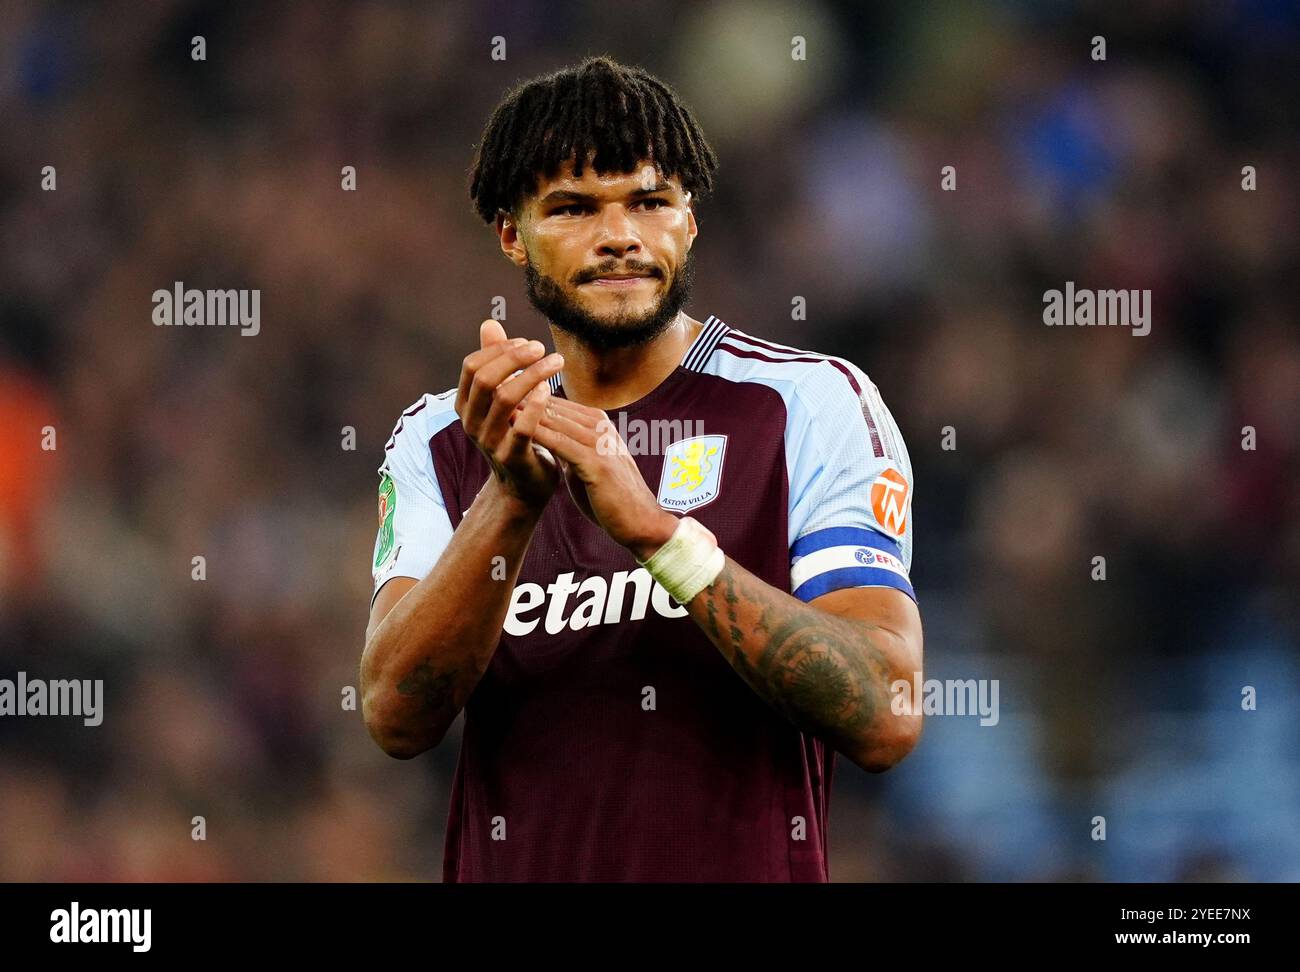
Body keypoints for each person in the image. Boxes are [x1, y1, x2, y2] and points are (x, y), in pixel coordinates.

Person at [360, 55, 923, 882]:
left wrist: (662, 538)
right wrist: (511, 505)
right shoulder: (444, 438)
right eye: (574, 208)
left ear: (690, 221)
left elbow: (887, 713)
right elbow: (395, 717)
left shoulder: (809, 404)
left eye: (650, 201)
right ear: (511, 234)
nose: (619, 234)